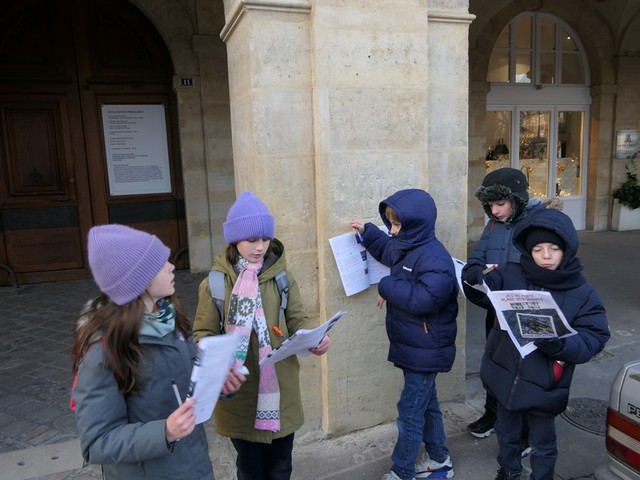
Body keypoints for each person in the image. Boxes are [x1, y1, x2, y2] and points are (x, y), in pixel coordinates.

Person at [71, 224, 243, 479]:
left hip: (194, 468)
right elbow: (97, 443)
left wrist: (219, 383)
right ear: (139, 280)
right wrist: (164, 432)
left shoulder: (170, 322)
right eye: (161, 263)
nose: (172, 266)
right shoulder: (103, 353)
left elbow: (189, 386)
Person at [462, 208, 610, 480]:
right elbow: (483, 293)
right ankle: (508, 469)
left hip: (545, 383)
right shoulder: (510, 273)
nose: (546, 256)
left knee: (542, 443)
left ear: (567, 249)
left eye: (554, 248)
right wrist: (472, 278)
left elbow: (595, 337)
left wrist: (561, 346)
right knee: (506, 433)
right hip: (503, 375)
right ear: (528, 250)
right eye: (538, 248)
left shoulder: (582, 292)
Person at [193, 191, 330, 480]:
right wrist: (217, 361)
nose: (260, 247)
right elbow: (202, 334)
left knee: (281, 466)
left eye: (265, 240)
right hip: (239, 393)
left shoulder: (283, 278)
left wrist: (316, 340)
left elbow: (298, 320)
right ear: (234, 241)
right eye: (251, 240)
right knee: (250, 468)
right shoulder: (214, 284)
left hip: (280, 387)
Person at [351, 188, 458, 480]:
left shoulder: (435, 259)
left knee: (410, 411)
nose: (393, 230)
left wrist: (386, 286)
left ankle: (402, 470)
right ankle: (439, 459)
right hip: (416, 346)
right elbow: (388, 250)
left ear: (416, 224)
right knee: (427, 403)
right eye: (391, 224)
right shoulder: (408, 243)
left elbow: (425, 298)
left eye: (397, 225)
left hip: (426, 347)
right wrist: (369, 231)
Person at [463, 167, 558, 446]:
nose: (495, 210)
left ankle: (527, 431)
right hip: (497, 307)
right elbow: (477, 257)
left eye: (500, 204)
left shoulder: (539, 223)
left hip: (528, 310)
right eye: (490, 205)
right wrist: (474, 271)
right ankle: (492, 414)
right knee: (495, 365)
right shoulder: (492, 225)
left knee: (527, 371)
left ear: (517, 199)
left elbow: (549, 269)